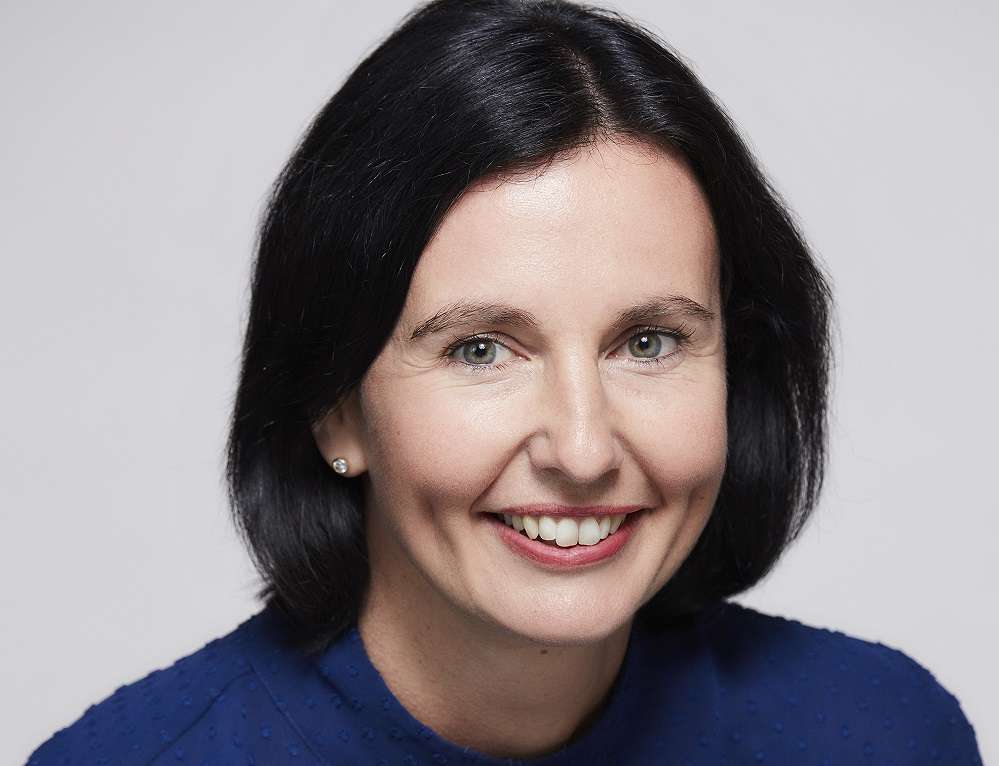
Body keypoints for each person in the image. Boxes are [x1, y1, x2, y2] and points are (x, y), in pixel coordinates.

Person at [27, 0, 983, 763]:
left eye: (648, 342)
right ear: (333, 406)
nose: (582, 449)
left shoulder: (880, 735)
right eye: (480, 349)